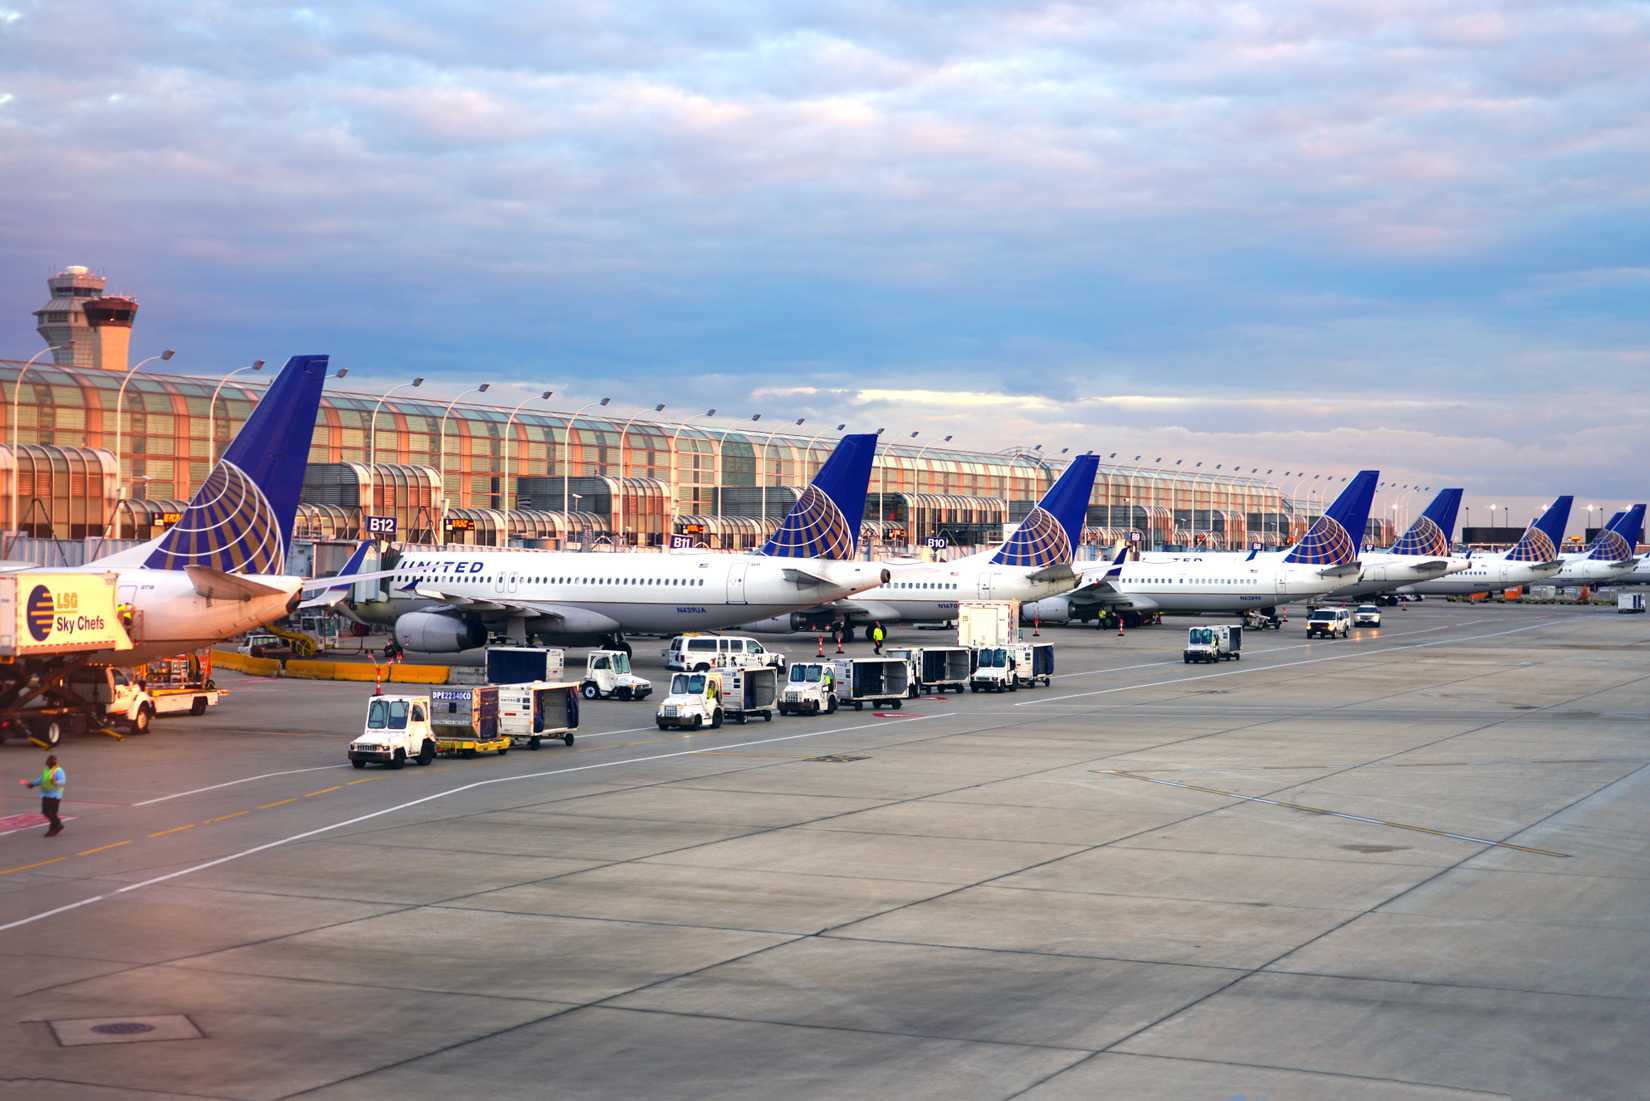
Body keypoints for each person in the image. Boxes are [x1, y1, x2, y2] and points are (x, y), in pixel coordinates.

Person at [20, 754, 66, 837]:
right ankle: (57, 825)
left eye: (51, 761)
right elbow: (41, 779)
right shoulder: (46, 770)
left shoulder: (58, 770)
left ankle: (54, 828)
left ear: (54, 762)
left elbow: (62, 781)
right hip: (46, 794)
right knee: (46, 812)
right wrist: (32, 784)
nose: (48, 763)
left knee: (51, 813)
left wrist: (56, 782)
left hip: (55, 795)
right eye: (48, 761)